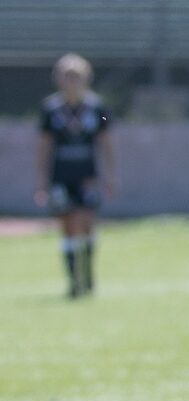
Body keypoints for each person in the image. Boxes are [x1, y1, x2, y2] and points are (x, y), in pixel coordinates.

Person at [33, 53, 117, 299]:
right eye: (66, 76)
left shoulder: (98, 108)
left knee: (87, 222)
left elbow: (107, 140)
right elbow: (44, 146)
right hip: (61, 176)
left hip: (88, 176)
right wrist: (40, 180)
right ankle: (73, 282)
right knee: (68, 225)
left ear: (86, 78)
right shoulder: (51, 110)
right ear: (58, 79)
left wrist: (110, 175)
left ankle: (88, 275)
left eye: (76, 76)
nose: (71, 81)